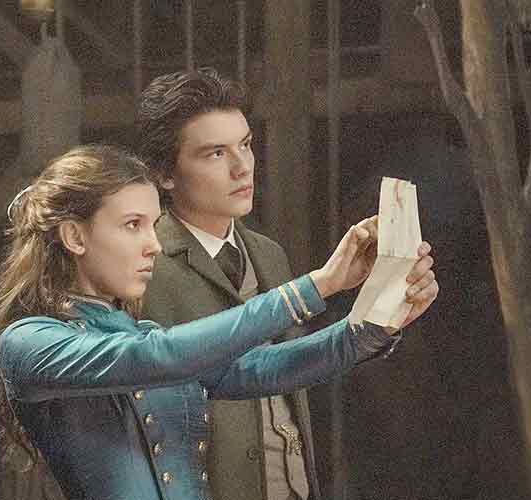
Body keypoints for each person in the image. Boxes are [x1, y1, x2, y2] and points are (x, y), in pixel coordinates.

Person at [0, 144, 438, 500]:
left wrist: (373, 326)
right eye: (132, 225)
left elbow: (261, 369)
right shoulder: (28, 342)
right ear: (74, 236)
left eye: (154, 225)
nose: (153, 245)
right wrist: (316, 286)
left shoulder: (142, 334)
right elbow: (158, 356)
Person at [136, 67, 434, 500]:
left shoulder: (267, 253)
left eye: (245, 145)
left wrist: (384, 313)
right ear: (165, 173)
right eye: (215, 153)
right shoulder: (144, 265)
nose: (242, 167)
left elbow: (293, 367)